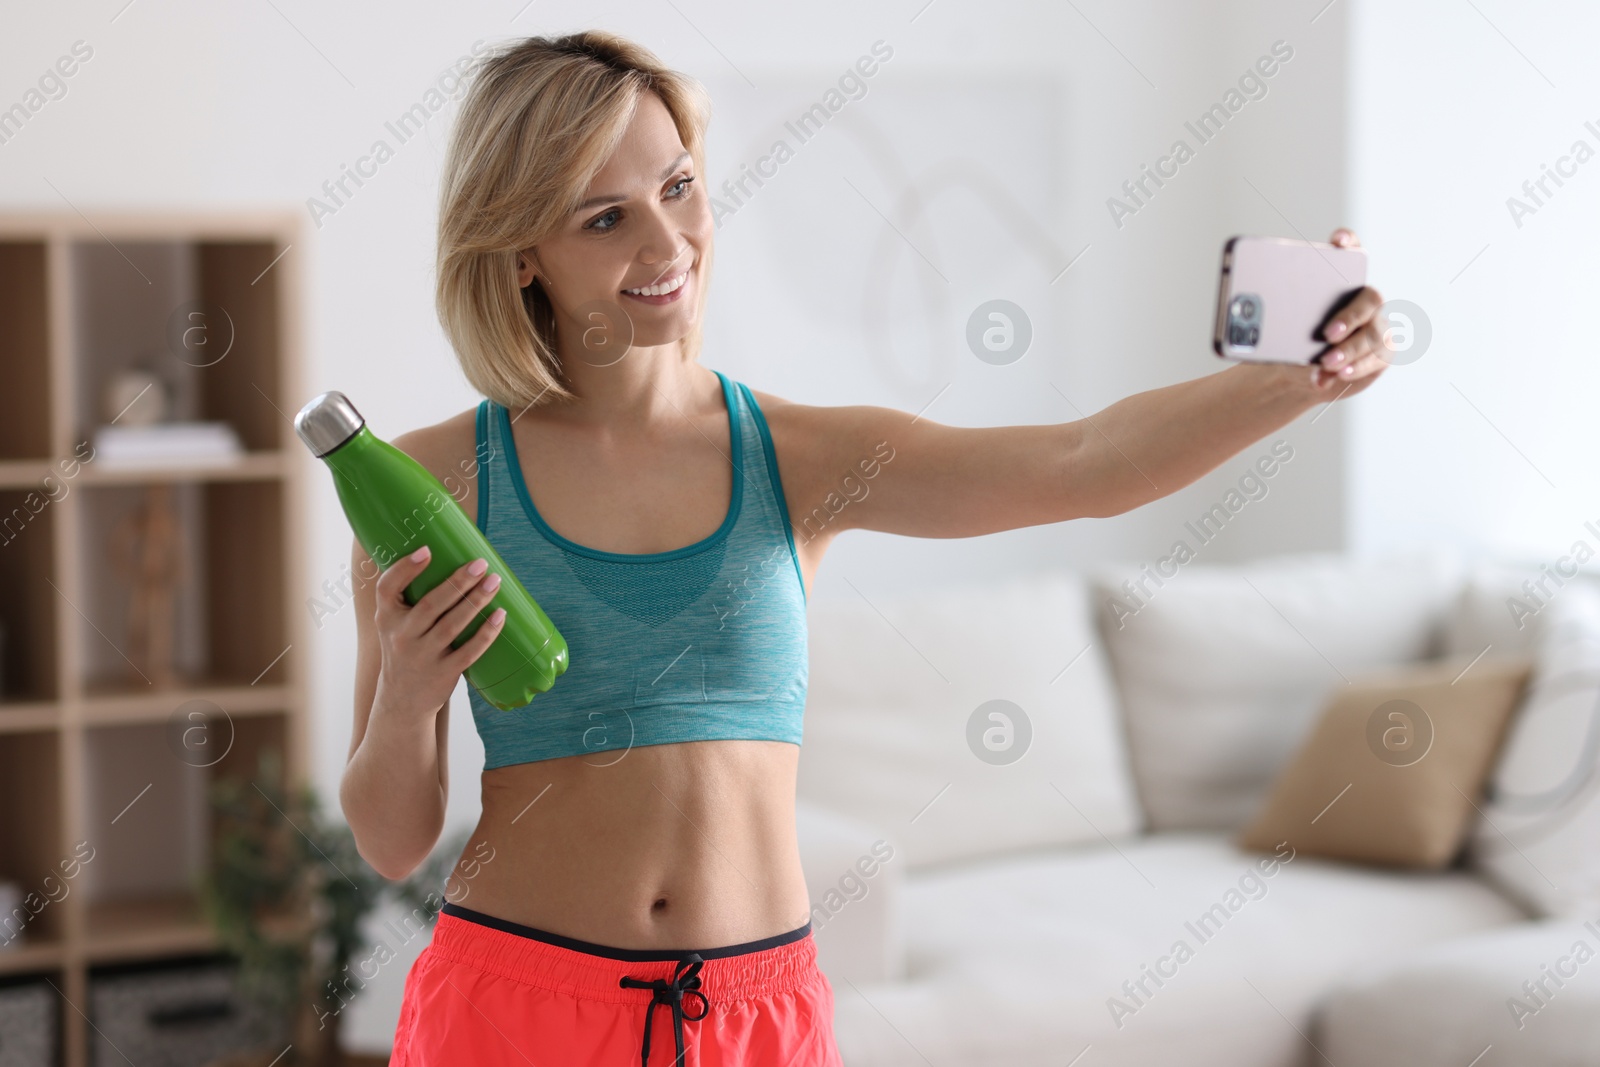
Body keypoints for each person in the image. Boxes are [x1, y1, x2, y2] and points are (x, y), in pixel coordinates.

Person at [341, 30, 1391, 1067]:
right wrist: (406, 696)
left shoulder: (798, 459)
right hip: (517, 1006)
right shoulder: (435, 487)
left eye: (679, 186)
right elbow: (391, 838)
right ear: (523, 251)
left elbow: (1083, 461)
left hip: (753, 1015)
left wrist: (1291, 382)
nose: (667, 246)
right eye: (605, 217)